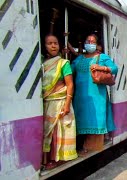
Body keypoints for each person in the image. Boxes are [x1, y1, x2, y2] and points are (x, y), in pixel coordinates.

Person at [72, 34, 118, 155]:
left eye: (93, 42)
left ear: (96, 44)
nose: (90, 43)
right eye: (88, 41)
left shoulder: (102, 57)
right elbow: (70, 70)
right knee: (80, 120)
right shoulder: (79, 59)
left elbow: (114, 68)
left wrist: (101, 67)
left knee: (94, 118)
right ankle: (79, 146)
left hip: (97, 95)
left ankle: (90, 146)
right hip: (80, 97)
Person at [42, 34, 78, 170]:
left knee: (58, 133)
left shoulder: (64, 63)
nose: (53, 46)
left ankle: (56, 159)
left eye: (55, 43)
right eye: (49, 43)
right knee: (47, 132)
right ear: (44, 46)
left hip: (61, 102)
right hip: (47, 102)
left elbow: (70, 84)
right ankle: (45, 159)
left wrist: (67, 104)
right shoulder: (42, 64)